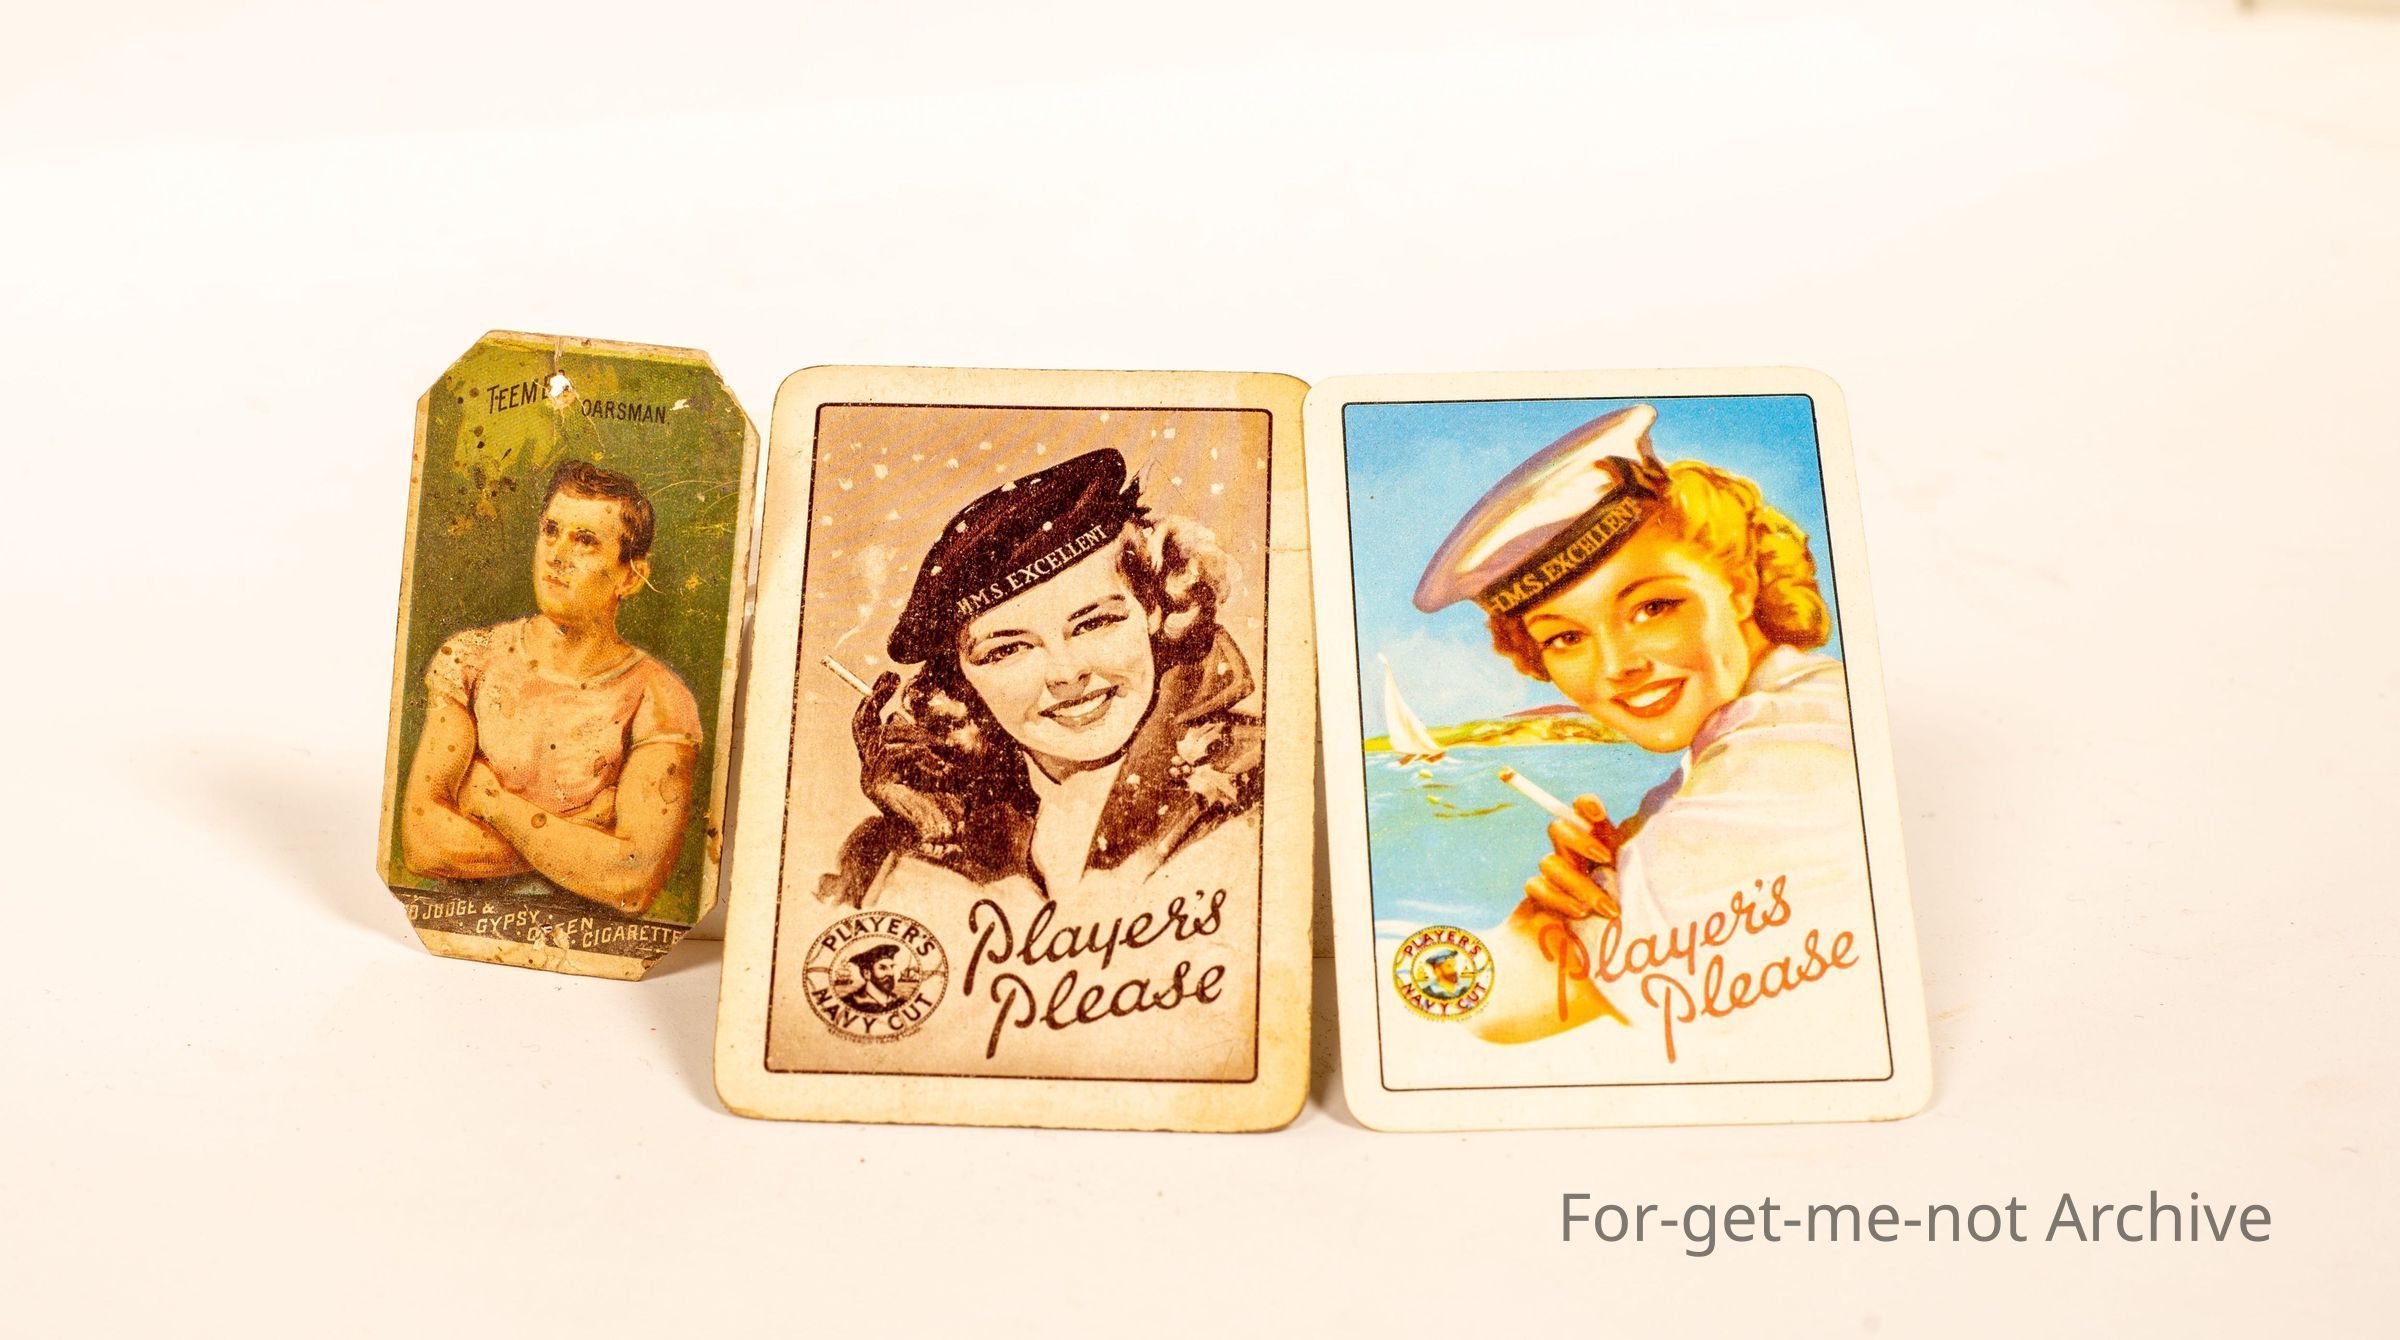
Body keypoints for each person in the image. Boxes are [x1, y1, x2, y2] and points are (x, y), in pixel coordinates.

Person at [1411, 404, 1875, 1048]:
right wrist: (1609, 870)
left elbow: (1498, 1011)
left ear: (1739, 586)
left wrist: (1540, 922)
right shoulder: (1786, 713)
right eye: (1567, 637)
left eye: (1653, 607)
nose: (1618, 666)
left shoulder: (1781, 750)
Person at [825, 447, 1264, 914]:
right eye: (1008, 649)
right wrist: (937, 849)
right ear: (963, 683)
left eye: (1095, 623)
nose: (1066, 674)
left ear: (1154, 610)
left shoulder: (1257, 777)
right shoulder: (889, 849)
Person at [399, 460, 703, 917]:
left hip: (587, 933)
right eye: (551, 531)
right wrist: (584, 826)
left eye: (585, 541)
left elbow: (633, 879)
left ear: (630, 576)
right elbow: (423, 843)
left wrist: (493, 804)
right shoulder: (472, 659)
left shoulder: (658, 696)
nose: (557, 555)